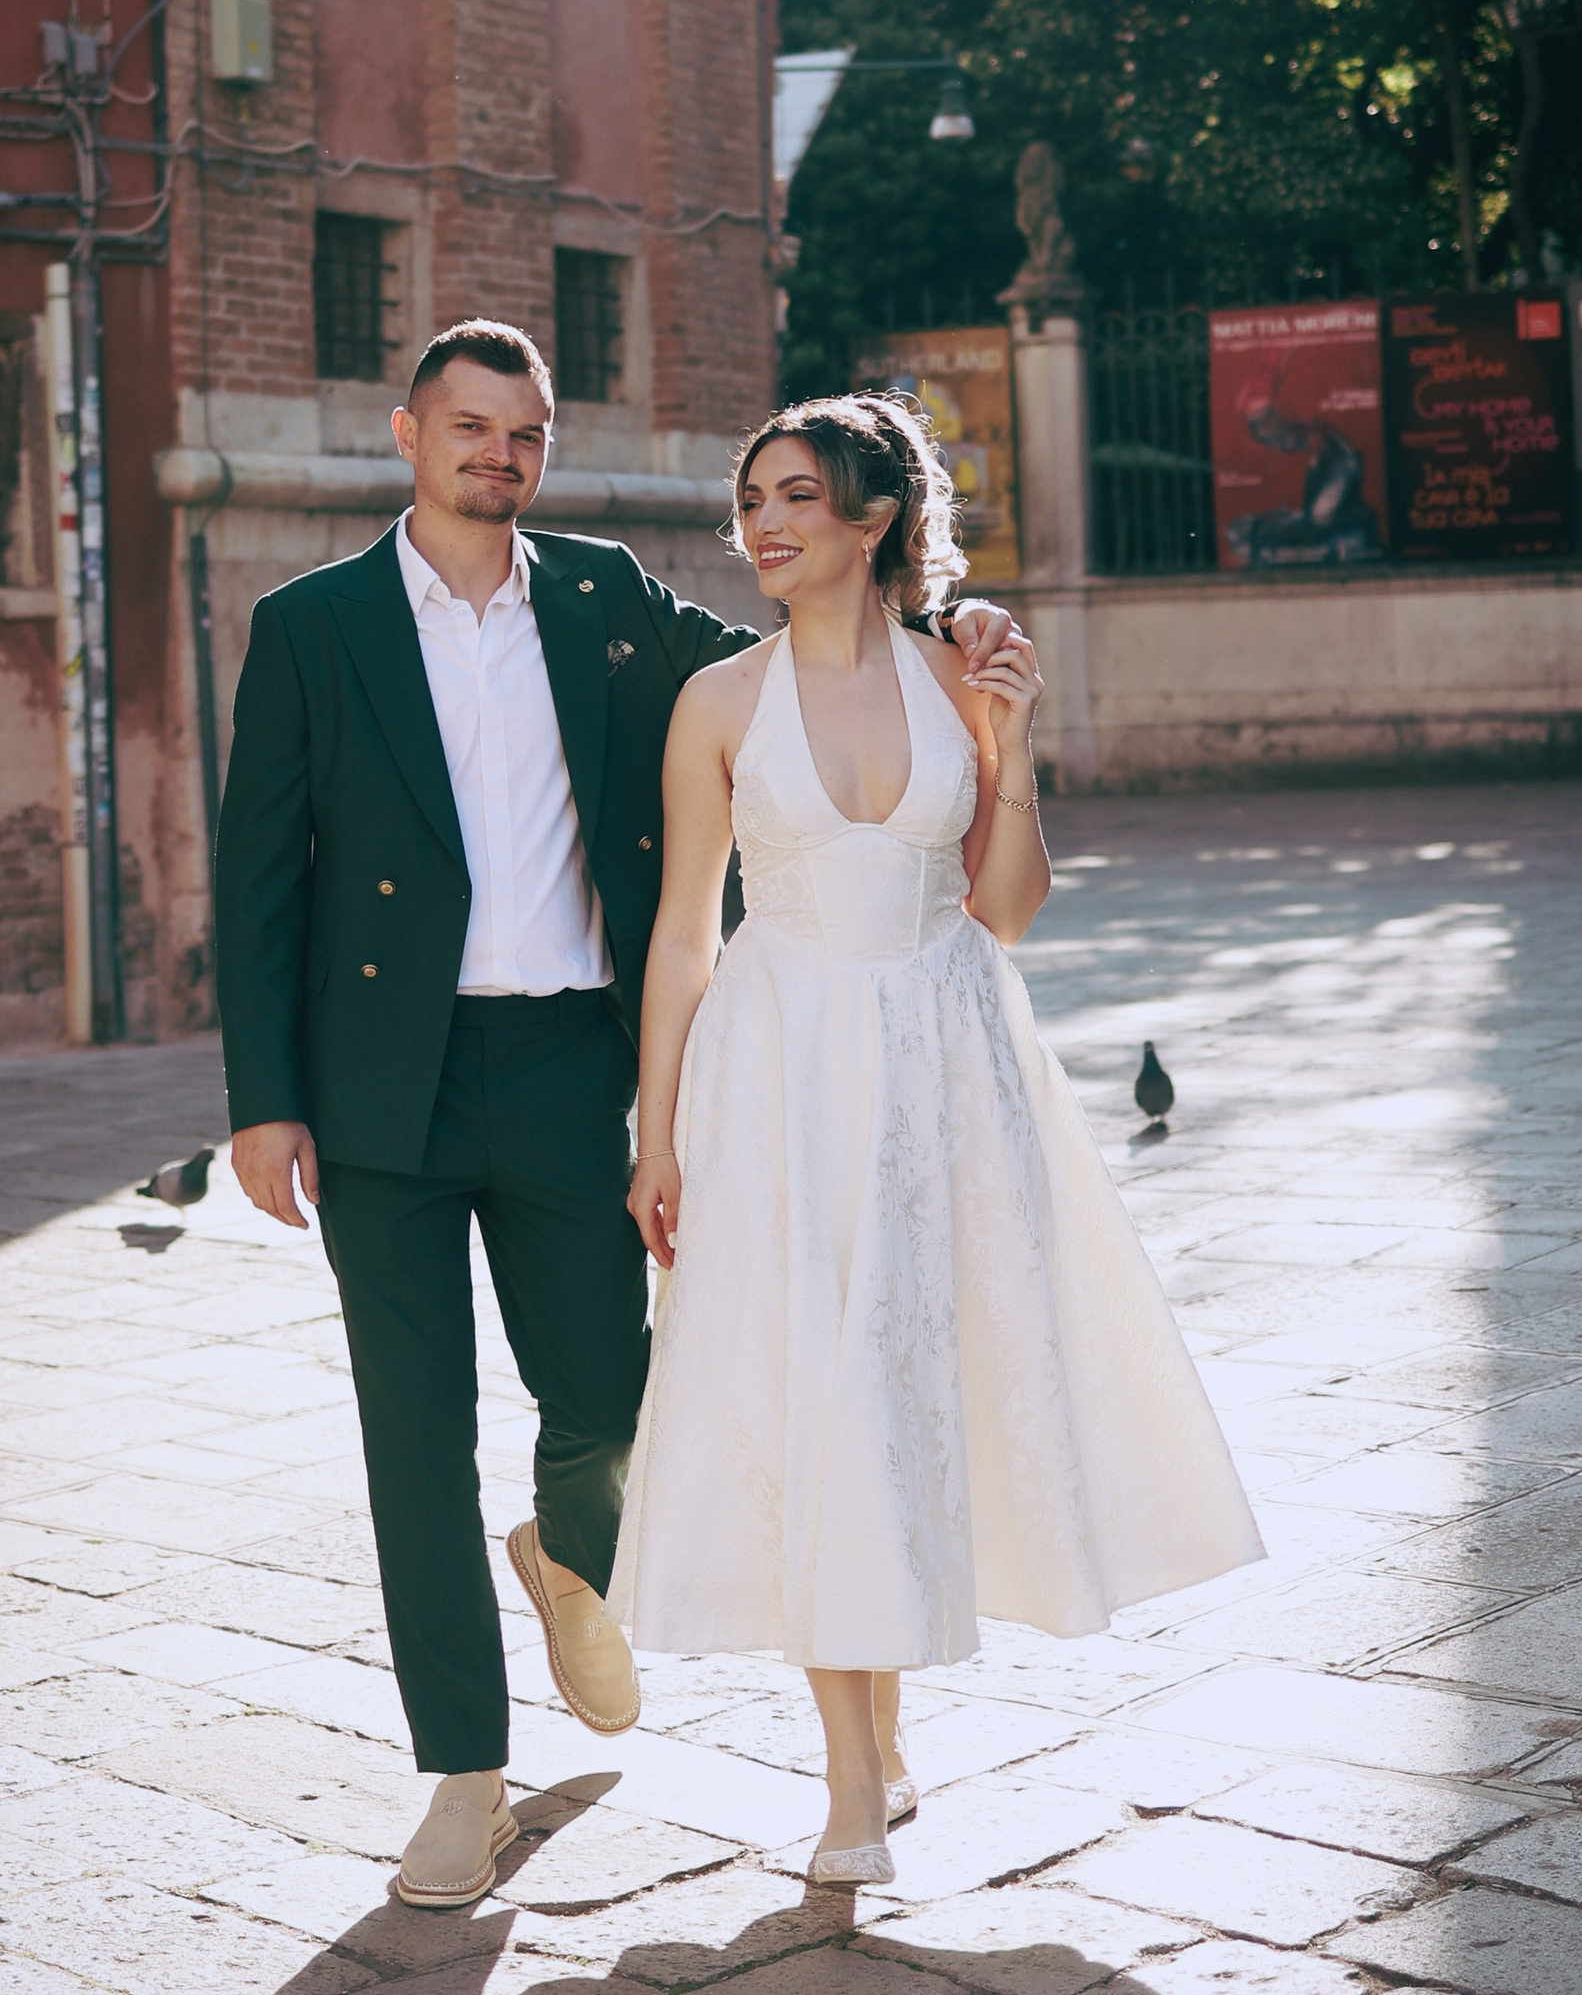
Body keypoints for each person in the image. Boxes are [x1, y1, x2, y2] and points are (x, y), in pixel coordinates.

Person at [213, 321, 1020, 1910]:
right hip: (383, 1079)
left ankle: (567, 1548)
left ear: (544, 445)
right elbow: (258, 876)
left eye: (522, 431)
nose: (495, 455)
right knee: (412, 1438)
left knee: (618, 1404)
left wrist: (953, 614)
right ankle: (464, 1773)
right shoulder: (310, 626)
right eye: (466, 427)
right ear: (407, 435)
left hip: (571, 1065)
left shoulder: (602, 603)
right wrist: (264, 1103)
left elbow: (805, 640)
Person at [609, 393, 1259, 1888]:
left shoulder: (961, 673)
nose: (759, 526)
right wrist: (660, 1128)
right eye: (748, 501)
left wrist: (1013, 739)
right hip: (776, 1070)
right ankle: (850, 1779)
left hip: (948, 1068)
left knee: (902, 1384)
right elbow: (682, 931)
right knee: (813, 1386)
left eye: (791, 498)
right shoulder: (717, 701)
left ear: (873, 517)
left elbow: (1010, 910)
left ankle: (887, 1741)